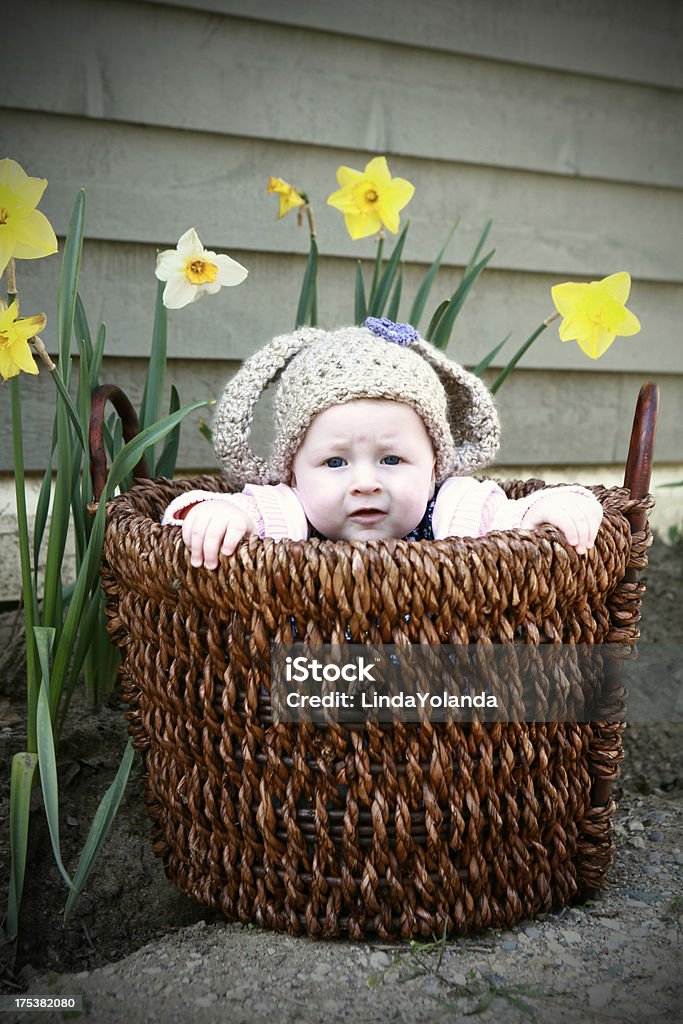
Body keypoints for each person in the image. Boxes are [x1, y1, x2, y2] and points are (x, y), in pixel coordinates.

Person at [162, 318, 603, 568]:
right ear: (293, 471)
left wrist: (545, 509)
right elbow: (239, 511)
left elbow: (509, 518)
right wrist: (220, 515)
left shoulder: (451, 511)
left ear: (435, 466)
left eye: (392, 458)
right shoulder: (288, 512)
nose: (366, 483)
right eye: (335, 463)